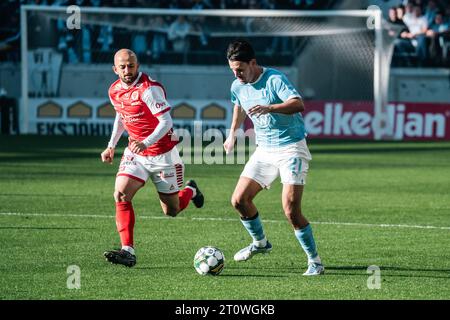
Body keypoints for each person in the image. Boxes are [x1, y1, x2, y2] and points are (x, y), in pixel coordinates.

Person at [223, 40, 324, 276]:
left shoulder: (274, 79)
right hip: (264, 150)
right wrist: (232, 135)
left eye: (240, 69)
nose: (237, 74)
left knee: (290, 210)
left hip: (291, 148)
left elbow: (298, 104)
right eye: (232, 70)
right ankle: (260, 243)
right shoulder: (237, 85)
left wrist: (270, 107)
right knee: (239, 200)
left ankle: (315, 261)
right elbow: (238, 106)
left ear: (253, 63)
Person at [101, 49, 204, 267]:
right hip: (136, 153)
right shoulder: (114, 90)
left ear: (137, 66)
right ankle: (127, 250)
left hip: (163, 155)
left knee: (172, 210)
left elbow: (166, 122)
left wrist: (146, 142)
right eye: (122, 67)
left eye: (131, 65)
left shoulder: (149, 89)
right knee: (120, 194)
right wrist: (111, 146)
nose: (127, 70)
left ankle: (191, 190)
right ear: (115, 69)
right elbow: (121, 116)